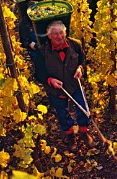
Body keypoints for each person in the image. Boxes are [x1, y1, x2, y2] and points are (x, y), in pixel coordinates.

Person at [35, 21, 94, 152]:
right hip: (56, 89)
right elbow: (39, 73)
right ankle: (71, 136)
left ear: (65, 33)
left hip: (74, 84)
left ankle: (84, 132)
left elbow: (83, 61)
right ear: (49, 36)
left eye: (61, 33)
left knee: (83, 108)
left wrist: (80, 69)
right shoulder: (42, 51)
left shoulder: (75, 45)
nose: (59, 37)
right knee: (63, 114)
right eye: (55, 34)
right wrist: (50, 80)